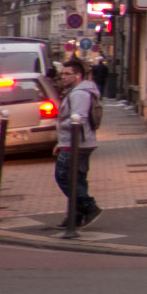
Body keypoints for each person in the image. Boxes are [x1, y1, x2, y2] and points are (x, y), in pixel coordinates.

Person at [53, 58, 103, 227]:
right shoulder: (76, 92)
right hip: (76, 142)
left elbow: (78, 119)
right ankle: (75, 215)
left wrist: (60, 124)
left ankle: (90, 207)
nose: (64, 77)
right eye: (62, 74)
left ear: (78, 75)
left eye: (68, 74)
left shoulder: (79, 94)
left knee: (64, 177)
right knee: (77, 179)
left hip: (77, 143)